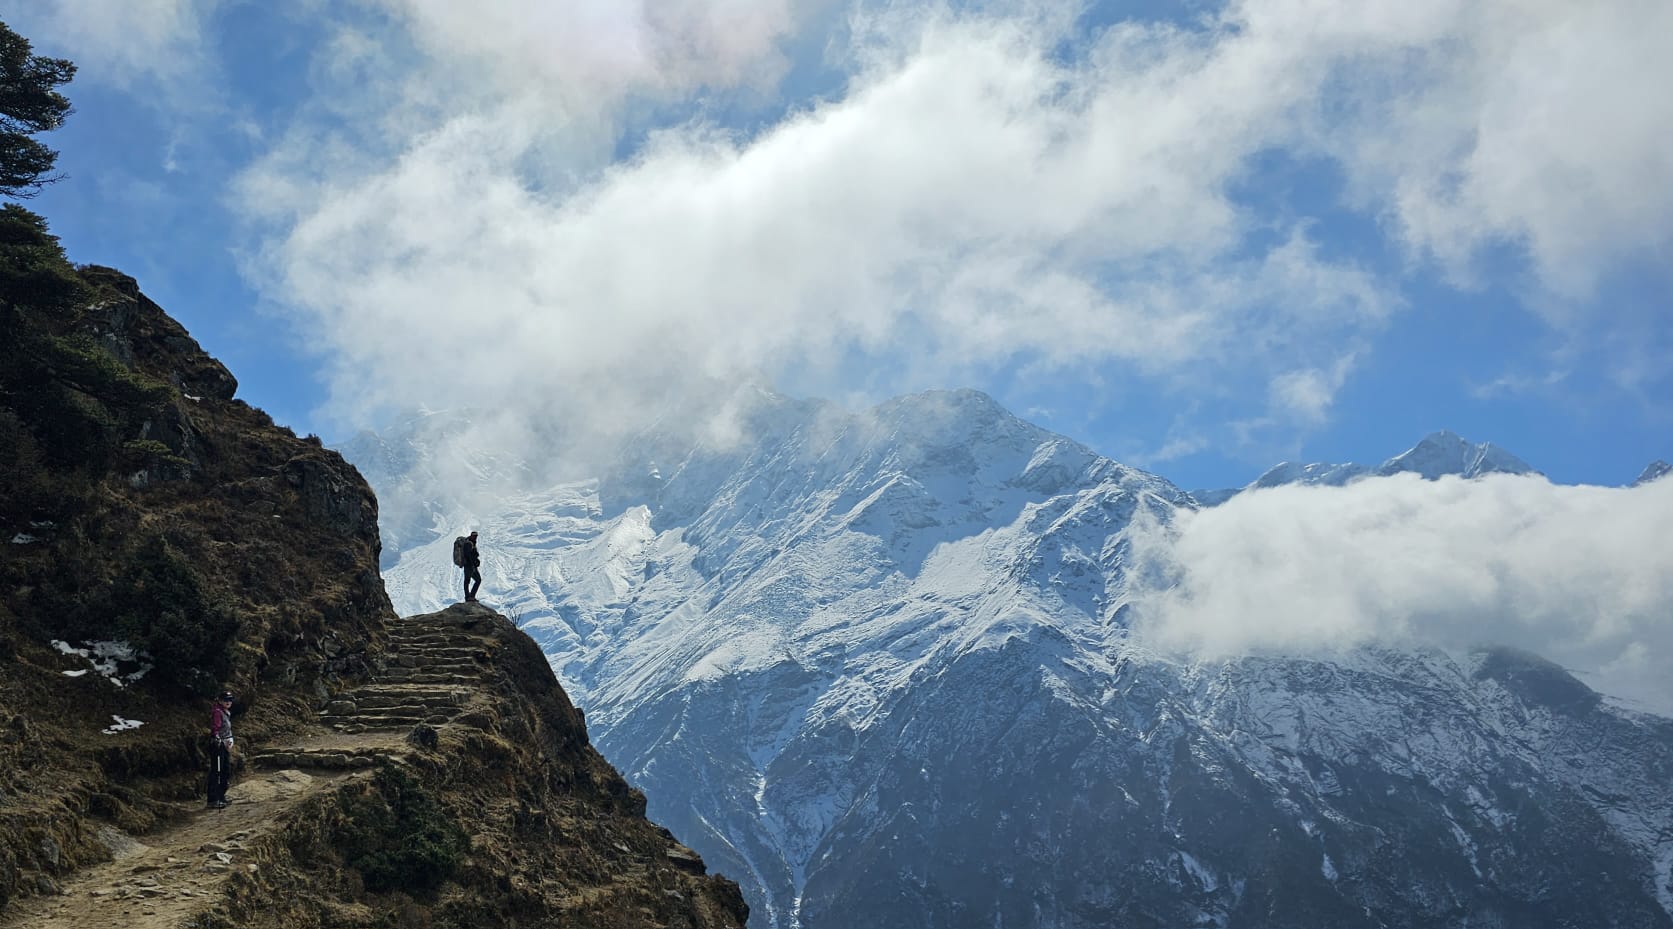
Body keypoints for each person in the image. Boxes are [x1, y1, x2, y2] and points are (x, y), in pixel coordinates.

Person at [206, 690, 235, 810]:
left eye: (230, 700)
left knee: (225, 770)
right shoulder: (218, 712)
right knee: (217, 771)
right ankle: (213, 799)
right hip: (218, 745)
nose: (228, 702)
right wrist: (216, 738)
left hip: (225, 745)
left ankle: (221, 796)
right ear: (220, 700)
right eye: (225, 700)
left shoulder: (225, 712)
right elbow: (215, 728)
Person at [461, 530, 482, 602]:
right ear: (471, 535)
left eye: (476, 536)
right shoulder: (468, 543)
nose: (475, 537)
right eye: (474, 536)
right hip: (469, 566)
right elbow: (468, 555)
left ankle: (469, 597)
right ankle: (470, 597)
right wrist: (473, 565)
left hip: (468, 565)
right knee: (477, 580)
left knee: (468, 581)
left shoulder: (470, 542)